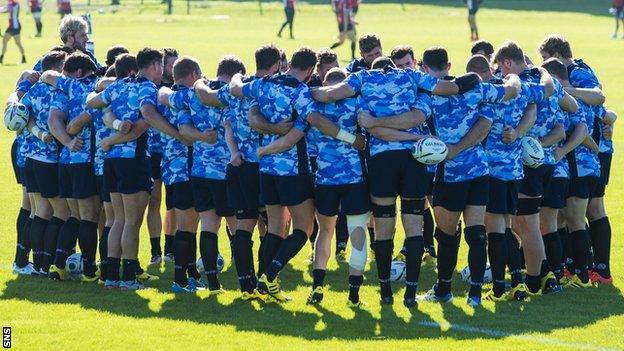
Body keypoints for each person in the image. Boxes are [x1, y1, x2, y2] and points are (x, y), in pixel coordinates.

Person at [313, 54, 477, 307]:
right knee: (414, 227)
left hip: (381, 161)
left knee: (384, 229)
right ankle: (411, 293)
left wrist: (301, 90)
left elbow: (332, 97)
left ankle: (386, 292)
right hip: (414, 160)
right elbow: (440, 95)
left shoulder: (362, 79)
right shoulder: (412, 76)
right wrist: (469, 81)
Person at [416, 47, 521, 307]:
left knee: (447, 234)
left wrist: (451, 150)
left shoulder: (425, 92)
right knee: (476, 233)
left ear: (424, 67)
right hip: (478, 170)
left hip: (450, 173)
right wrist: (513, 78)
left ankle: (444, 289)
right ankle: (474, 294)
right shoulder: (478, 88)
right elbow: (509, 92)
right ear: (449, 65)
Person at [466, 51, 555, 301]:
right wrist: (542, 71)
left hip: (491, 171)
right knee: (505, 227)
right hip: (515, 170)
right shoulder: (524, 88)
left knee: (496, 230)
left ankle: (500, 288)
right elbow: (546, 91)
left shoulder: (487, 91)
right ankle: (517, 283)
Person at [211, 44, 281, 299]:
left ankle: (246, 287)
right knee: (272, 227)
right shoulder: (266, 90)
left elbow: (228, 126)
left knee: (243, 226)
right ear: (276, 65)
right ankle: (266, 282)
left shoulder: (235, 90)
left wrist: (233, 153)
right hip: (262, 168)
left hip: (237, 166)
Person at [42, 52, 101, 282]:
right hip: (84, 159)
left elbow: (52, 120)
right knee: (89, 217)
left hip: (65, 161)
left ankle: (57, 266)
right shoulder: (92, 85)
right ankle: (88, 271)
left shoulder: (65, 87)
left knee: (74, 217)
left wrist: (66, 142)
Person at [21, 51, 69, 275]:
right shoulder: (57, 92)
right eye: (63, 67)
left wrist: (37, 132)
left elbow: (23, 115)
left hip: (29, 157)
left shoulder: (34, 90)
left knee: (41, 211)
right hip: (48, 159)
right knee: (62, 211)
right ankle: (47, 262)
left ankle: (37, 263)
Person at [147, 47, 179, 266]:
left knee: (174, 203)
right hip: (153, 152)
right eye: (171, 65)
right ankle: (155, 251)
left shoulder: (178, 89)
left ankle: (170, 249)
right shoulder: (151, 89)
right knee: (154, 201)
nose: (174, 69)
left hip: (172, 153)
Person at [0, 0, 27, 64]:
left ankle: (24, 58)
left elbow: (7, 10)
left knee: (18, 43)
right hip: (10, 26)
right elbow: (5, 8)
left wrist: (1, 10)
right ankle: (1, 58)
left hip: (15, 26)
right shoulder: (10, 3)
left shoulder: (15, 4)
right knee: (4, 41)